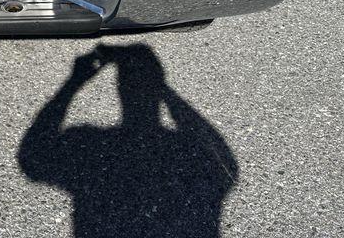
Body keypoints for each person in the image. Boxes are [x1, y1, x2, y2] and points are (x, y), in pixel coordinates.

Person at [18, 44, 238, 238]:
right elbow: (215, 150)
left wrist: (74, 83)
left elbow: (33, 157)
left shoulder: (94, 149)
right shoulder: (188, 152)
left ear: (119, 89)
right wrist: (163, 90)